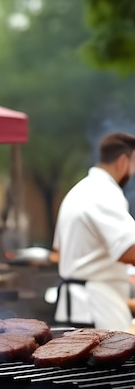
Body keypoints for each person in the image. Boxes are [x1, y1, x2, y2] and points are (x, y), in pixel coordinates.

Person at [53, 131, 135, 330]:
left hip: (77, 306)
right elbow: (129, 250)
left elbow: (57, 252)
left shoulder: (79, 191)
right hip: (97, 307)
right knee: (113, 360)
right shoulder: (104, 193)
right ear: (123, 161)